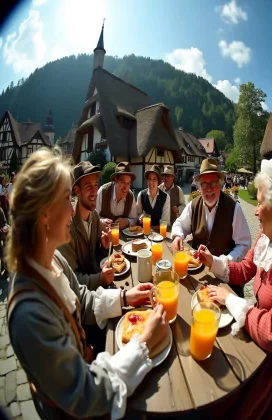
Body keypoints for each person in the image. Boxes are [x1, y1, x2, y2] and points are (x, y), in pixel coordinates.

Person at [6, 148, 167, 420]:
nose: (71, 209)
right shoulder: (29, 315)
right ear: (44, 214)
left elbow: (82, 296)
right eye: (65, 200)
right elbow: (86, 394)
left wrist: (127, 298)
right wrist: (142, 343)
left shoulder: (51, 261)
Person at [198, 156, 272, 419]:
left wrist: (232, 301)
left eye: (259, 203)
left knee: (232, 407)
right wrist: (211, 261)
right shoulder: (265, 236)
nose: (255, 210)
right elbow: (243, 271)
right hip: (254, 329)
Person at [171, 158, 251, 297]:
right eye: (204, 184)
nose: (208, 188)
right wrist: (177, 236)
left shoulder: (234, 208)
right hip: (199, 276)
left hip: (226, 281)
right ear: (199, 187)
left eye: (212, 183)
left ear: (220, 184)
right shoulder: (193, 205)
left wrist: (222, 262)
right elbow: (180, 224)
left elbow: (244, 244)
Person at [58, 161, 114, 291]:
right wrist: (100, 279)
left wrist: (103, 247)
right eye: (88, 186)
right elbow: (71, 279)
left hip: (99, 285)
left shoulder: (94, 216)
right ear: (77, 191)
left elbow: (95, 258)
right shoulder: (66, 227)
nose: (95, 192)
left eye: (95, 185)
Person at [96, 162, 137, 230]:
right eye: (123, 182)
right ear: (115, 180)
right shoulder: (103, 192)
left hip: (124, 238)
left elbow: (135, 219)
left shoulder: (130, 196)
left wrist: (127, 221)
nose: (125, 187)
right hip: (104, 235)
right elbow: (92, 216)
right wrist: (100, 221)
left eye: (128, 183)